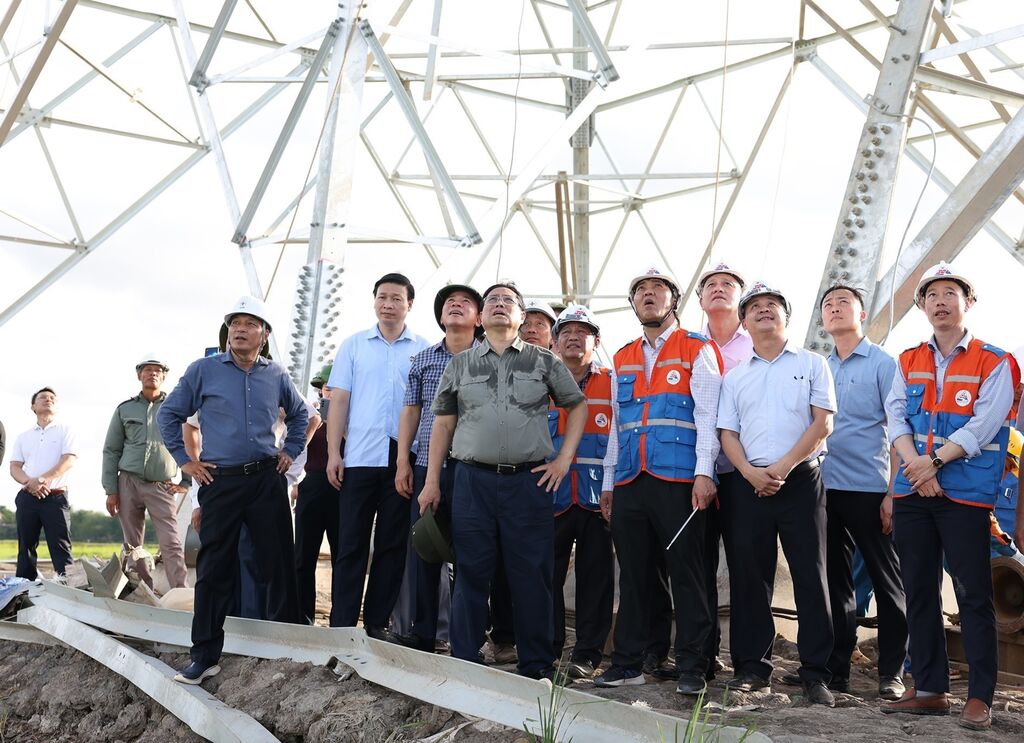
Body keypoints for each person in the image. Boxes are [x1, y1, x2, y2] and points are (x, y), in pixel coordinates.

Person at [420, 281, 586, 679]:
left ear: (521, 316)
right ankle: (466, 662)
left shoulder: (544, 362)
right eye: (491, 300)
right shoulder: (460, 364)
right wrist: (432, 482)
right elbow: (443, 424)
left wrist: (564, 460)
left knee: (530, 575)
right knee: (472, 573)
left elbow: (577, 405)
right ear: (481, 316)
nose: (498, 305)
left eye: (507, 301)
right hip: (471, 483)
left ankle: (536, 667)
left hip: (528, 484)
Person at [882, 262, 1018, 731]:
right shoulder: (907, 359)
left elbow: (985, 423)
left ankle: (979, 697)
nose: (940, 301)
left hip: (963, 492)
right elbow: (896, 418)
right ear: (921, 306)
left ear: (968, 302)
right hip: (914, 492)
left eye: (950, 293)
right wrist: (917, 469)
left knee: (972, 593)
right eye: (932, 295)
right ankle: (929, 688)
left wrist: (933, 463)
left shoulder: (995, 361)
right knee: (918, 589)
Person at [158, 295, 307, 684]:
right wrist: (185, 460)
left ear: (265, 333)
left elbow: (301, 414)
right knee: (213, 569)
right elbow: (169, 414)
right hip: (219, 481)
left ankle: (291, 651)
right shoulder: (204, 370)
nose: (240, 329)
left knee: (278, 564)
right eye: (235, 323)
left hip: (264, 480)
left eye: (250, 323)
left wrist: (290, 451)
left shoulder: (275, 375)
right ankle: (204, 655)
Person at [594, 266, 722, 697]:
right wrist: (609, 483)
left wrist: (705, 473)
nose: (649, 296)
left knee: (687, 574)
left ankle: (692, 665)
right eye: (641, 291)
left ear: (674, 300)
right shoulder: (623, 356)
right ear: (633, 304)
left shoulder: (696, 347)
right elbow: (615, 427)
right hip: (631, 479)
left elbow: (708, 415)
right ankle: (628, 662)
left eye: (658, 290)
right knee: (633, 577)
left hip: (679, 480)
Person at [717, 281, 837, 706]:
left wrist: (781, 468)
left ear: (787, 317)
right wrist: (750, 472)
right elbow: (726, 432)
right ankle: (751, 668)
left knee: (811, 576)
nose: (764, 311)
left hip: (800, 480)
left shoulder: (812, 363)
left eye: (773, 306)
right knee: (750, 578)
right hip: (748, 485)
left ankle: (816, 673)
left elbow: (822, 423)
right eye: (755, 308)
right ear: (744, 322)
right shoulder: (735, 376)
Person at [809, 285, 907, 701]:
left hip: (870, 489)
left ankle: (892, 673)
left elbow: (901, 428)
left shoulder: (885, 364)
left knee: (888, 584)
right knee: (835, 585)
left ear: (862, 314)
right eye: (828, 305)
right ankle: (837, 671)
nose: (834, 310)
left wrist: (892, 493)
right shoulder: (818, 366)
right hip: (824, 488)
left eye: (843, 304)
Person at [325, 272, 430, 635]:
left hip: (404, 458)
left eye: (396, 298)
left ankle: (375, 625)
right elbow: (339, 400)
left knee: (391, 546)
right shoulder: (354, 345)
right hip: (359, 456)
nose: (388, 304)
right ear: (374, 301)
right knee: (351, 544)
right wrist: (333, 453)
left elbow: (428, 407)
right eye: (382, 297)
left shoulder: (424, 348)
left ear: (409, 304)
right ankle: (341, 625)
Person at [393, 283, 482, 651]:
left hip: (475, 469)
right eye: (449, 303)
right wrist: (403, 462)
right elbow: (411, 410)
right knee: (426, 548)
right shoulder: (424, 360)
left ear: (479, 318)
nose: (455, 306)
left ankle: (464, 638)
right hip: (429, 466)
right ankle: (424, 632)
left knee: (471, 553)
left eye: (465, 303)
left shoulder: (493, 359)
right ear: (440, 317)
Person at [548, 304, 615, 680]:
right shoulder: (540, 382)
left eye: (583, 331)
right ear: (555, 341)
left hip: (596, 500)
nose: (575, 337)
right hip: (550, 495)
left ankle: (588, 654)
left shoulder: (614, 381)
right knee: (546, 576)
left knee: (596, 579)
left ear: (596, 341)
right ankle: (548, 645)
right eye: (567, 331)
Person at [695, 260, 752, 677]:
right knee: (698, 565)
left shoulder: (759, 346)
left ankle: (749, 660)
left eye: (728, 284)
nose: (719, 289)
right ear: (699, 299)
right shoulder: (689, 346)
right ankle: (703, 653)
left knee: (746, 563)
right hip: (698, 472)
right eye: (710, 284)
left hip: (743, 474)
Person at [102, 354, 190, 589]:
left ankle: (179, 593)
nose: (152, 373)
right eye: (147, 370)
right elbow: (111, 450)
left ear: (163, 377)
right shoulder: (124, 409)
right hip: (128, 482)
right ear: (139, 375)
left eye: (157, 370)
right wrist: (111, 489)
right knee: (133, 545)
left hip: (162, 484)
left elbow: (189, 443)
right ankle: (143, 592)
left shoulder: (176, 408)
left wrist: (187, 481)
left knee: (170, 542)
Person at [9, 387, 77, 579]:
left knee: (61, 546)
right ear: (33, 406)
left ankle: (72, 588)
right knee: (26, 547)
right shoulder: (24, 436)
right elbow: (14, 466)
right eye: (42, 397)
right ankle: (22, 589)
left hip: (55, 497)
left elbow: (68, 460)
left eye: (52, 398)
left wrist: (41, 480)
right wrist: (29, 483)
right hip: (27, 497)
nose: (48, 399)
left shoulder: (65, 430)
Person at [294, 363, 341, 624]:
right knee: (303, 555)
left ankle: (340, 618)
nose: (330, 394)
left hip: (342, 487)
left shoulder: (353, 416)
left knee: (342, 555)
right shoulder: (309, 417)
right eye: (326, 389)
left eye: (336, 389)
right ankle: (303, 616)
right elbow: (297, 448)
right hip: (312, 485)